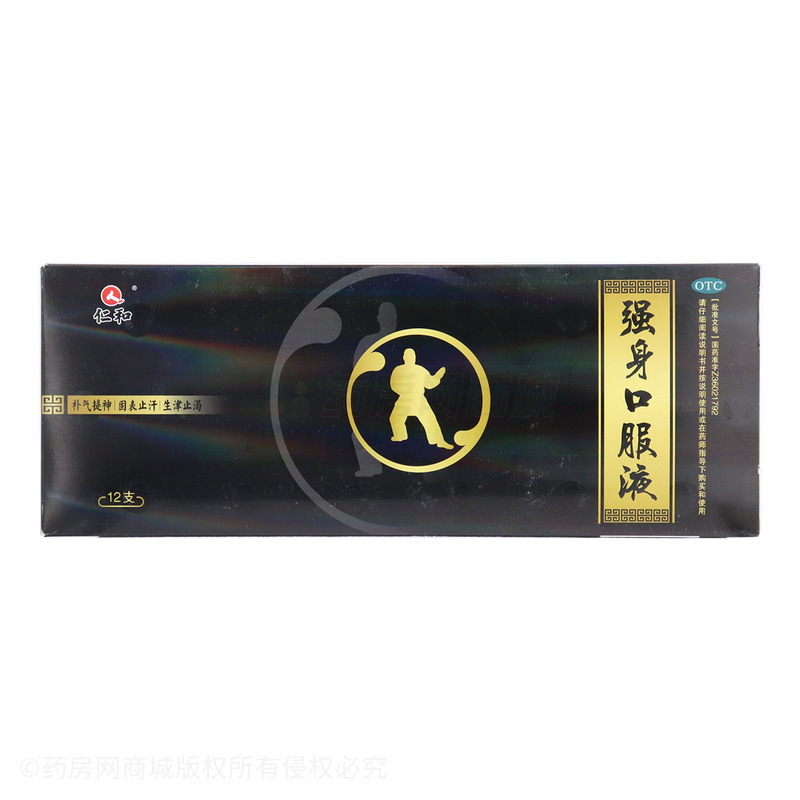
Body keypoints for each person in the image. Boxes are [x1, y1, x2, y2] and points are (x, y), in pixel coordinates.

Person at [389, 349, 453, 449]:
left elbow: (429, 383)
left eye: (412, 356)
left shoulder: (420, 370)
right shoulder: (398, 370)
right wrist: (404, 391)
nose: (410, 358)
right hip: (405, 399)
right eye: (408, 356)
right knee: (395, 418)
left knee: (430, 421)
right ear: (404, 358)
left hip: (418, 399)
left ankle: (439, 441)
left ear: (414, 358)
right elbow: (394, 384)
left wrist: (437, 377)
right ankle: (399, 435)